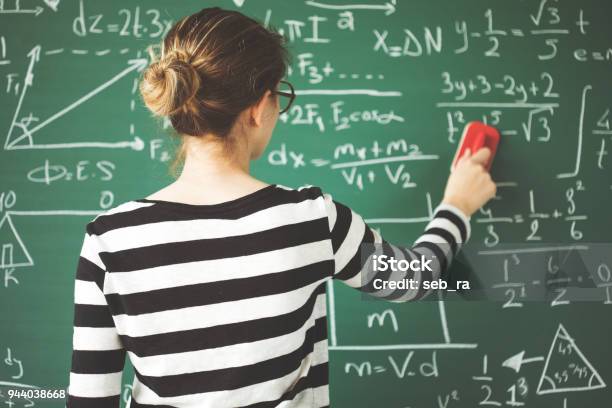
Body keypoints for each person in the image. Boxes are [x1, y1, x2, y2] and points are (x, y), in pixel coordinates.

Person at [66, 6, 496, 408]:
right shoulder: (308, 221)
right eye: (278, 96)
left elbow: (89, 400)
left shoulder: (109, 241)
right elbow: (421, 278)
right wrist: (457, 204)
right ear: (258, 107)